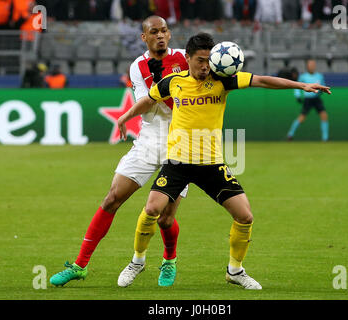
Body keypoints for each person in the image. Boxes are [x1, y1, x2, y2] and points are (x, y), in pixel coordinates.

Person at [117, 33, 331, 289]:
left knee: (245, 216)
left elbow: (261, 80)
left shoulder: (222, 80)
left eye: (208, 60)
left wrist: (301, 86)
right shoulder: (172, 82)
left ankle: (235, 271)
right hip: (177, 163)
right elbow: (148, 101)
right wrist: (124, 117)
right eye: (200, 60)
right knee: (152, 209)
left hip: (211, 164)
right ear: (187, 59)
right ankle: (137, 262)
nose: (205, 66)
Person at [49, 15, 189, 287]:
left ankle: (169, 260)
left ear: (169, 34)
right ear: (144, 37)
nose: (160, 35)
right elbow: (146, 103)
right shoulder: (138, 66)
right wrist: (165, 83)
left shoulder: (186, 57)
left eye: (164, 31)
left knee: (165, 218)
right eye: (154, 32)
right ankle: (80, 265)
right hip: (150, 140)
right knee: (112, 198)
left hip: (180, 144)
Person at [287, 59, 329, 142]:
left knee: (324, 116)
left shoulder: (319, 76)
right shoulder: (303, 76)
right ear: (307, 66)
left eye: (313, 65)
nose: (312, 66)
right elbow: (298, 86)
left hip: (317, 99)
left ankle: (325, 138)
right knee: (302, 118)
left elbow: (323, 86)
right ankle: (290, 134)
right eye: (310, 65)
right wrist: (298, 96)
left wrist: (321, 91)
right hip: (308, 100)